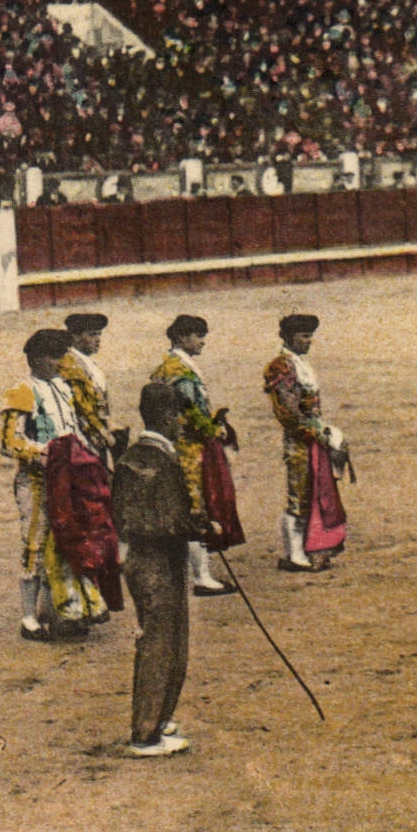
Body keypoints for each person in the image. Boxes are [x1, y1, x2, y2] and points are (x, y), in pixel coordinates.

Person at [114, 382, 205, 758]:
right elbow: (137, 523)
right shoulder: (148, 460)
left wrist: (190, 523)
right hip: (152, 563)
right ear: (167, 417)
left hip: (163, 560)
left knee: (172, 641)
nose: (182, 424)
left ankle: (160, 719)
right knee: (159, 643)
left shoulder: (146, 455)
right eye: (178, 416)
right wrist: (193, 526)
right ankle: (145, 733)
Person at [0, 329, 110, 640]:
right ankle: (29, 618)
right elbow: (9, 442)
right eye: (54, 356)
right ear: (36, 359)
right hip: (37, 481)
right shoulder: (22, 392)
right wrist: (46, 454)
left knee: (71, 540)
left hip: (71, 479)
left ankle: (66, 611)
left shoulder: (64, 389)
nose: (61, 362)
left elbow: (75, 430)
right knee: (35, 543)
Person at [151, 315, 240, 596]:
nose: (202, 341)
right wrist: (212, 429)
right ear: (180, 338)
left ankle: (197, 573)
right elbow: (190, 413)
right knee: (196, 506)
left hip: (184, 445)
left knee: (192, 505)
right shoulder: (179, 370)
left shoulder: (174, 366)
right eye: (197, 335)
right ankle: (201, 577)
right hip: (190, 448)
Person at [263, 314, 347, 571]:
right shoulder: (282, 366)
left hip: (311, 436)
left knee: (313, 492)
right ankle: (294, 555)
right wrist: (317, 432)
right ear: (289, 337)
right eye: (303, 336)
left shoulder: (298, 363)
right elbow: (289, 413)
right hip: (300, 440)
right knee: (300, 493)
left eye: (310, 336)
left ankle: (306, 550)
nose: (309, 341)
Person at [60, 312, 124, 469]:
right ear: (75, 336)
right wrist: (102, 432)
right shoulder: (70, 364)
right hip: (85, 437)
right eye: (92, 335)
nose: (98, 339)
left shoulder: (86, 362)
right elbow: (81, 408)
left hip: (98, 435)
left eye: (99, 334)